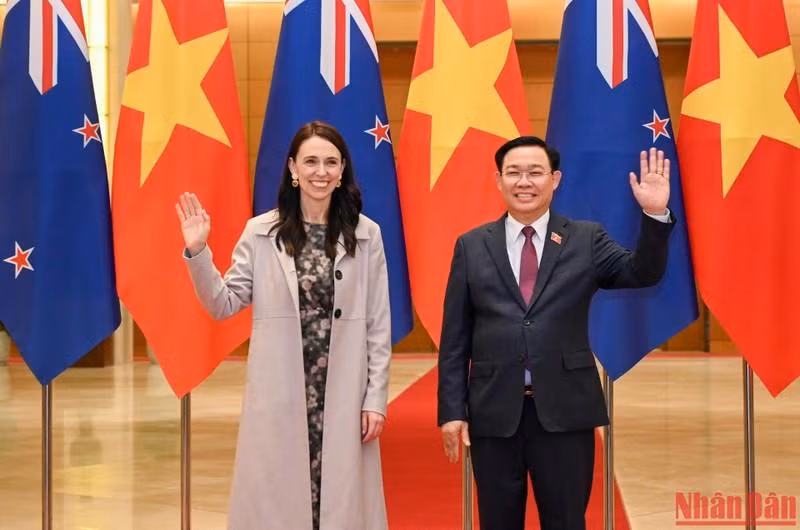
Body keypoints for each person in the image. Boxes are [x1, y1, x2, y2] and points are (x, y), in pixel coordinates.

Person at [437, 136, 674, 530]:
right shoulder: (472, 245)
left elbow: (642, 273)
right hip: (493, 413)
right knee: (497, 521)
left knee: (566, 520)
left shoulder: (586, 239)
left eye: (535, 172)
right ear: (498, 181)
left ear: (555, 179)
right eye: (513, 172)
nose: (524, 181)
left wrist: (655, 214)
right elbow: (455, 338)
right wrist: (451, 410)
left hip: (566, 412)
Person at [176, 121, 391, 530]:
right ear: (293, 168)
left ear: (343, 170)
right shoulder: (261, 232)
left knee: (342, 503)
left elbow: (378, 326)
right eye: (310, 161)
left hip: (343, 390)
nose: (320, 172)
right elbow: (222, 304)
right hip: (281, 390)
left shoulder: (366, 235)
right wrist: (198, 250)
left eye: (330, 162)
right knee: (280, 503)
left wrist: (375, 399)